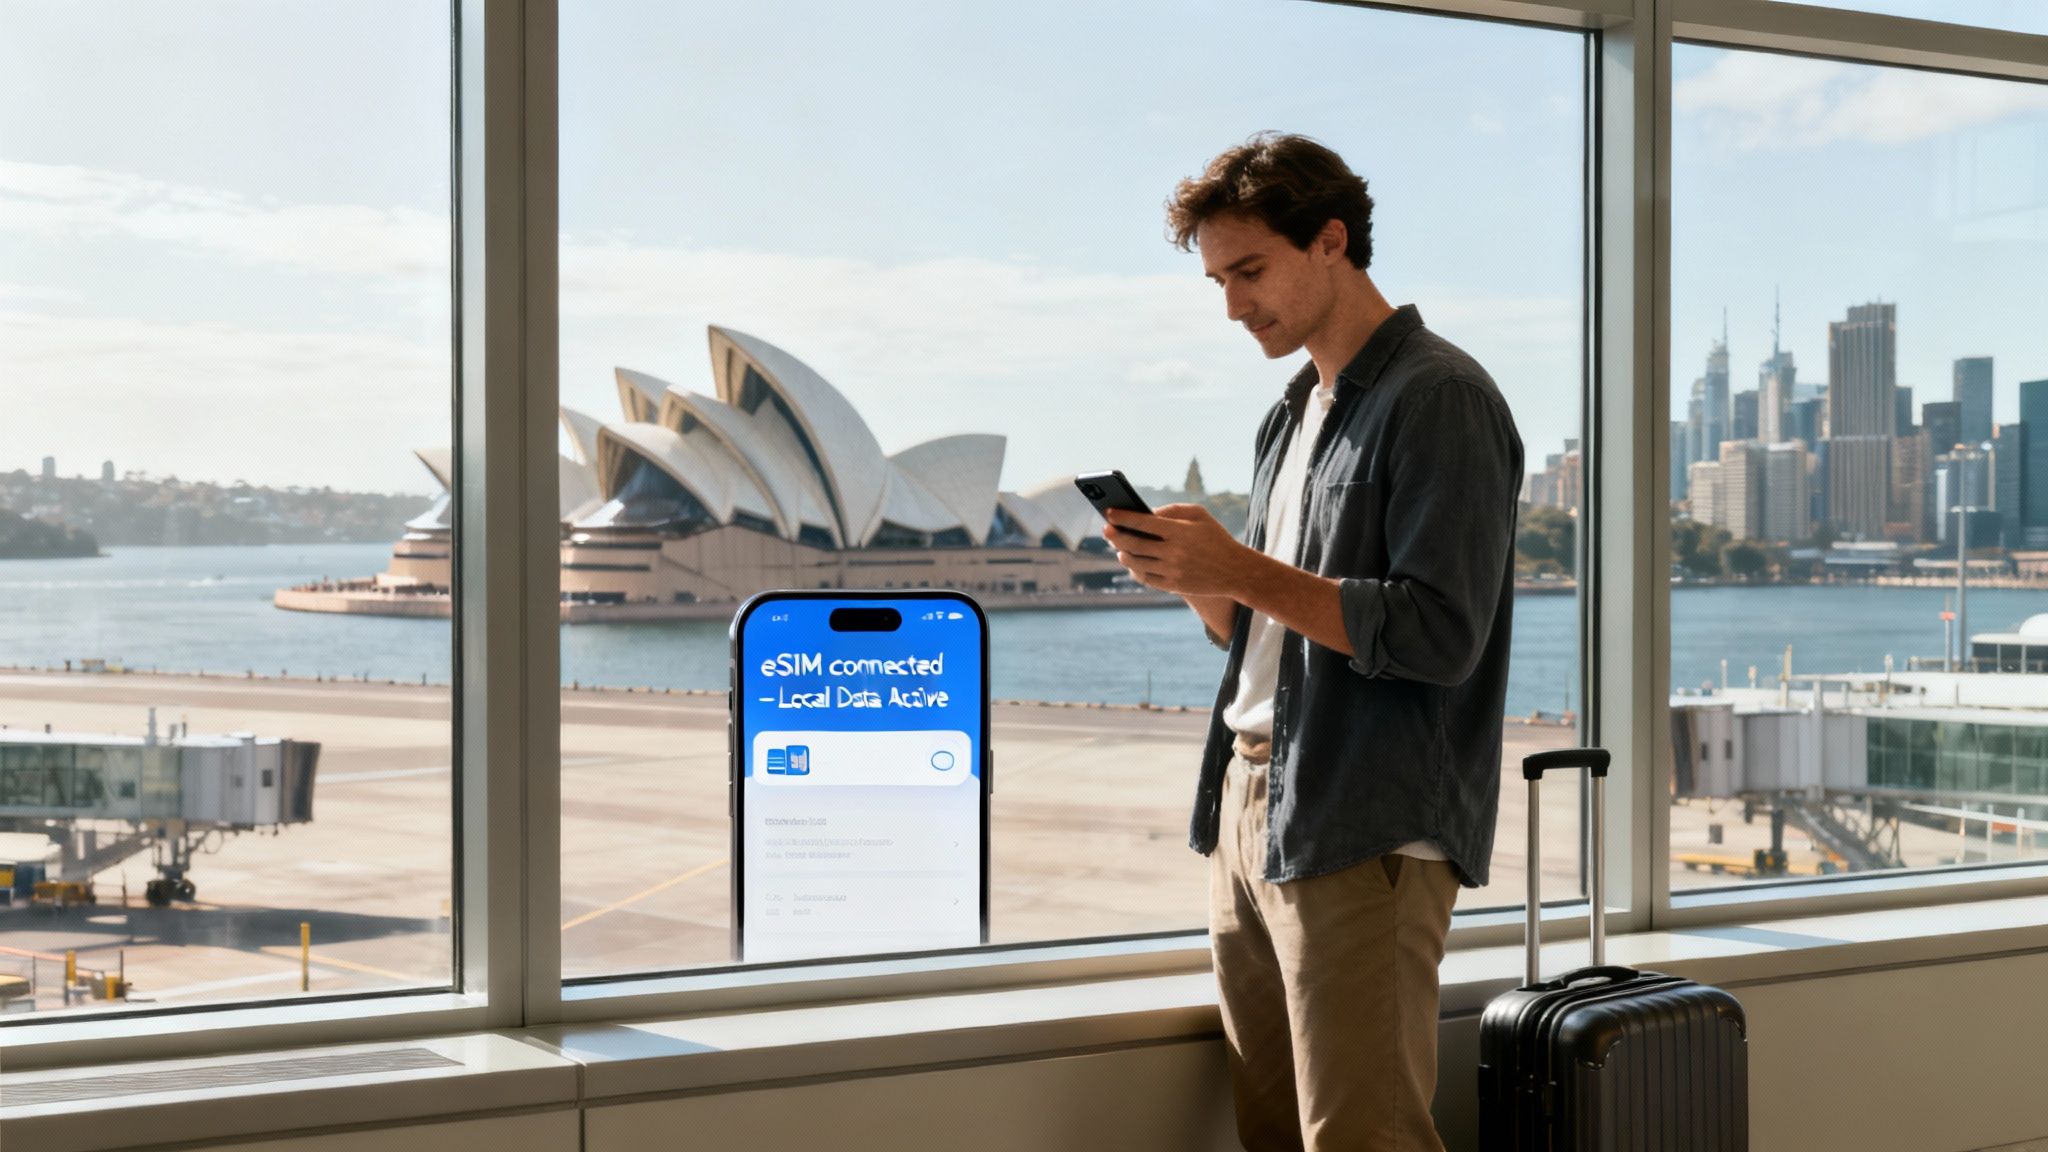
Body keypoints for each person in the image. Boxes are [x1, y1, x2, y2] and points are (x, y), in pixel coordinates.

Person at [1100, 132, 1525, 1152]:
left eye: (1248, 271)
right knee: (1272, 1131)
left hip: (1362, 823)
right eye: (1216, 279)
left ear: (1330, 240)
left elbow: (1435, 633)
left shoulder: (1438, 398)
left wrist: (1239, 570)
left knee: (1359, 1139)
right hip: (1256, 805)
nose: (1233, 305)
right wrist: (1200, 584)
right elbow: (1269, 637)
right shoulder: (1289, 416)